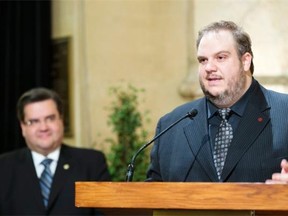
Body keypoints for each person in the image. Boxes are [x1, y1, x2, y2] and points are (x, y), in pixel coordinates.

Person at [146, 20, 288, 183]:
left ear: (245, 61)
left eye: (220, 57)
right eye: (203, 60)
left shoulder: (284, 112)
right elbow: (153, 197)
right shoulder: (171, 126)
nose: (209, 67)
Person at [0, 87, 111, 215]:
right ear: (23, 127)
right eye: (34, 121)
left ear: (61, 121)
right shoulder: (3, 167)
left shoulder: (91, 163)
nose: (43, 127)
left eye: (50, 118)